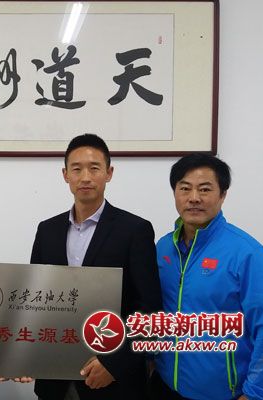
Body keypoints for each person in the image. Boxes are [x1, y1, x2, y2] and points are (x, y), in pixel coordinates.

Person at [30, 133, 162, 399]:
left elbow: (148, 311)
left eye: (94, 168)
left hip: (112, 381)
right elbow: (35, 300)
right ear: (65, 175)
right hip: (54, 377)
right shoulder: (47, 230)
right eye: (77, 169)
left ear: (109, 173)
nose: (85, 177)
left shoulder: (135, 230)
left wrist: (114, 364)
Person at [153, 153, 263, 400]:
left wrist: (256, 394)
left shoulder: (248, 254)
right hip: (166, 385)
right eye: (185, 188)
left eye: (205, 189)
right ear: (175, 193)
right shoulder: (163, 248)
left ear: (223, 195)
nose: (194, 198)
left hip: (226, 394)